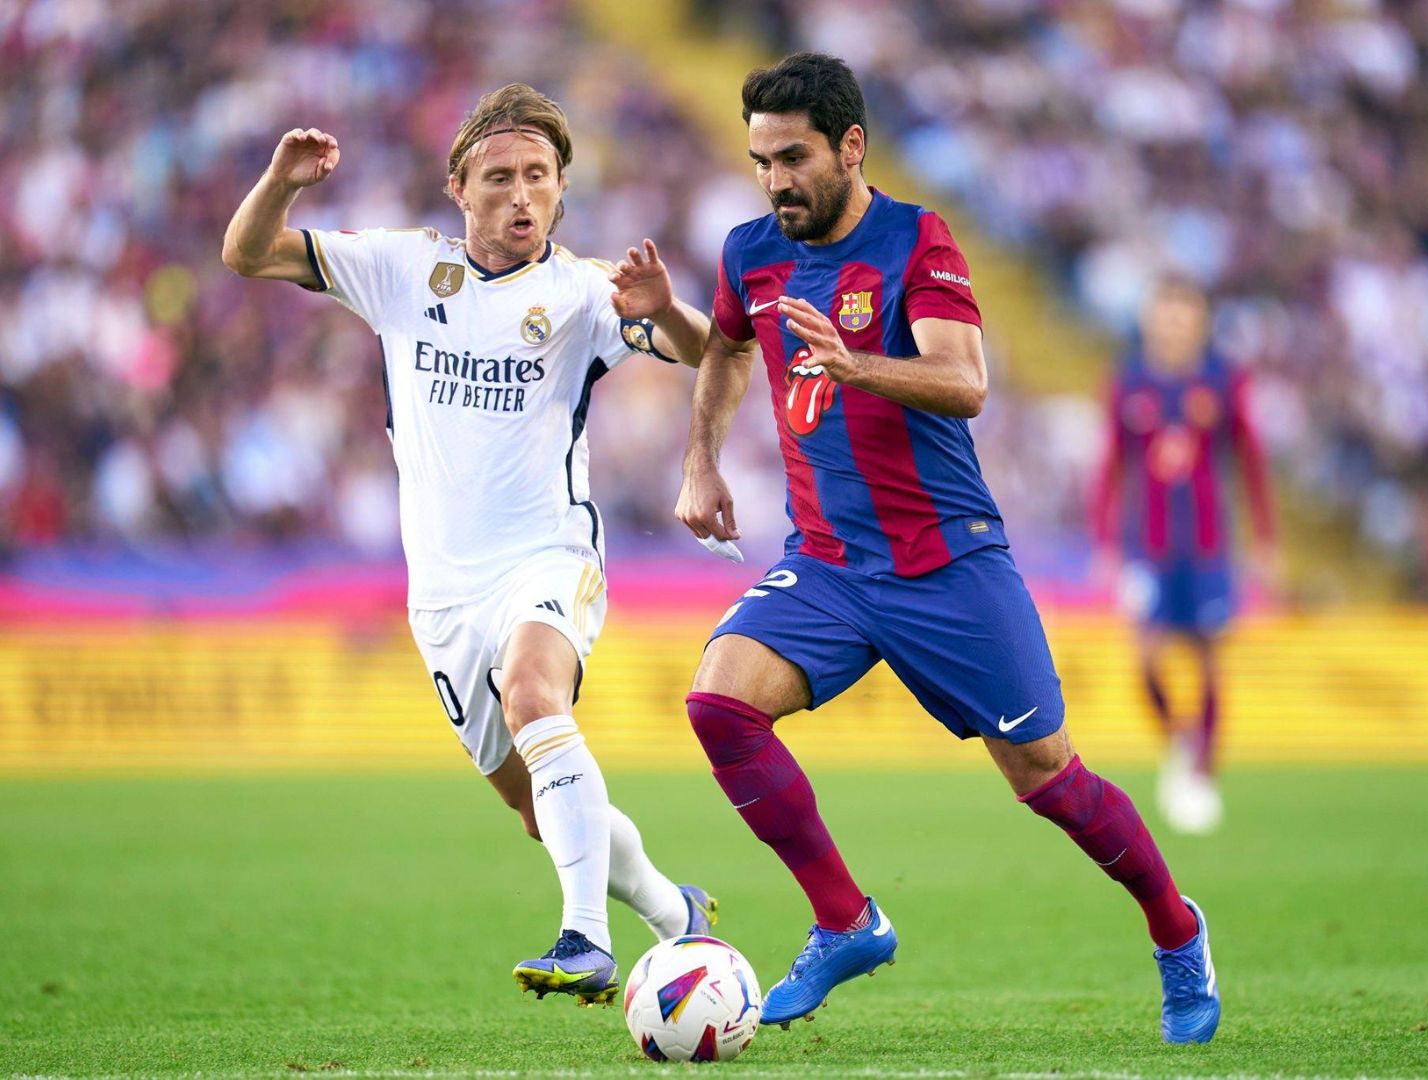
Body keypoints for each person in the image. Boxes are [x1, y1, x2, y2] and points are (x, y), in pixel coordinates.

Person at [674, 53, 1221, 1044]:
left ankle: (1175, 929)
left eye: (792, 157)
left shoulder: (914, 239)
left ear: (850, 147)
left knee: (1047, 780)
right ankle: (844, 919)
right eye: (760, 160)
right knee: (717, 703)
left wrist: (856, 366)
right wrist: (700, 464)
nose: (774, 180)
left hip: (945, 562)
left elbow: (964, 381)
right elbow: (723, 345)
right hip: (830, 564)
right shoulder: (748, 251)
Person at [221, 84, 717, 1007]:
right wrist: (282, 183)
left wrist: (669, 309)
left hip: (548, 557)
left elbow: (700, 350)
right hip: (443, 596)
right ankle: (672, 911)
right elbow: (246, 253)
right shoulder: (403, 271)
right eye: (500, 177)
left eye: (539, 176)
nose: (521, 194)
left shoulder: (584, 292)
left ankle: (584, 939)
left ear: (562, 190)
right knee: (541, 811)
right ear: (460, 187)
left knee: (536, 693)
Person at [1092, 278, 1276, 834]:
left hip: (1207, 543)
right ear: (1150, 319)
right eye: (1164, 314)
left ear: (1199, 321)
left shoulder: (1223, 380)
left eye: (1183, 314)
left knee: (1208, 658)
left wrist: (1265, 539)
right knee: (1145, 657)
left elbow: (1250, 459)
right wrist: (1104, 542)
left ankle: (1201, 773)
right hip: (1146, 544)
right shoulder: (1128, 382)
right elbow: (1110, 465)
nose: (1173, 324)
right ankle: (1179, 741)